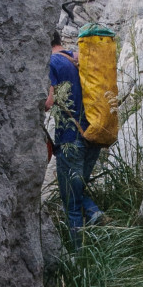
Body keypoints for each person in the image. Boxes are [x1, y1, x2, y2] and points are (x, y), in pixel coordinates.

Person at [45, 35, 104, 246]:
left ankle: (79, 256)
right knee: (77, 191)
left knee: (71, 202)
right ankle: (93, 215)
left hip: (71, 139)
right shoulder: (78, 58)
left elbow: (48, 102)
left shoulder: (52, 62)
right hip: (95, 136)